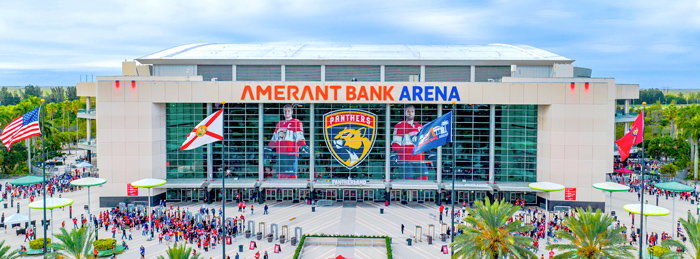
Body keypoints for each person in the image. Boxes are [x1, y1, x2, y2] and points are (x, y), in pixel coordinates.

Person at [267, 104, 308, 178]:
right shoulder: (279, 124)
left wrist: (303, 146)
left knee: (291, 177)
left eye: (288, 111)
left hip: (291, 154)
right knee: (280, 176)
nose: (286, 112)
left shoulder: (297, 122)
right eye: (285, 111)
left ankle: (293, 189)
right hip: (280, 154)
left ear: (292, 112)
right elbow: (274, 139)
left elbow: (299, 136)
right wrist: (269, 147)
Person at [391, 104, 428, 180]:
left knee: (424, 179)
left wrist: (429, 151)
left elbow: (424, 141)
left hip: (419, 158)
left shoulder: (420, 126)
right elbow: (396, 141)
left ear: (414, 113)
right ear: (404, 113)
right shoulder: (400, 125)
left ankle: (420, 192)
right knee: (408, 182)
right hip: (406, 158)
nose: (410, 113)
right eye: (408, 111)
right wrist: (395, 153)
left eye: (412, 111)